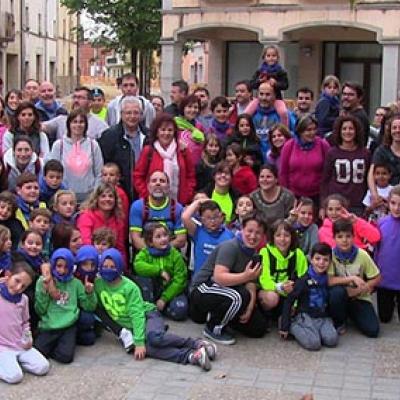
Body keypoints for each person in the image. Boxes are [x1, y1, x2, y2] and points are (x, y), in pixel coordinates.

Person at [94, 248, 216, 370]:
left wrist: (139, 341)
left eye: (112, 266)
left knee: (154, 338)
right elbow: (93, 306)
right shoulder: (98, 284)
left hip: (148, 315)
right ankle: (192, 356)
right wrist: (89, 294)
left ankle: (196, 343)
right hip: (132, 327)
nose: (108, 270)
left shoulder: (129, 287)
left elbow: (137, 314)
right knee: (148, 349)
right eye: (105, 266)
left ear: (119, 267)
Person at [190, 212, 268, 345]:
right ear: (242, 229)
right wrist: (245, 276)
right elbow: (219, 277)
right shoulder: (230, 246)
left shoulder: (254, 253)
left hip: (227, 290)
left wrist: (249, 309)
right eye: (249, 231)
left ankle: (222, 316)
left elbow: (251, 283)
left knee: (258, 327)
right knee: (240, 296)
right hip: (203, 289)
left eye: (258, 233)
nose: (253, 236)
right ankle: (213, 329)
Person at [34, 248, 97, 363]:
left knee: (65, 357)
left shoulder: (76, 283)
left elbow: (89, 307)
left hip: (68, 325)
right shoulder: (44, 281)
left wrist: (89, 293)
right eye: (58, 266)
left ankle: (65, 343)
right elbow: (40, 310)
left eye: (66, 266)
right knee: (38, 352)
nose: (62, 270)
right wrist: (45, 291)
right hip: (49, 325)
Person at [279, 243, 338, 351]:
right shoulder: (303, 280)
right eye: (317, 259)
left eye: (325, 260)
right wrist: (285, 325)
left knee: (332, 340)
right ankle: (293, 326)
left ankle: (317, 331)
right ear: (311, 259)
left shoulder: (328, 280)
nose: (321, 263)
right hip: (305, 316)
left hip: (322, 317)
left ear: (330, 262)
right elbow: (289, 301)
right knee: (314, 344)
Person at [328, 219, 381, 337]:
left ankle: (352, 314)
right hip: (340, 296)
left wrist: (364, 288)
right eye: (340, 236)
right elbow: (329, 280)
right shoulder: (331, 254)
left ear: (353, 237)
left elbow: (377, 277)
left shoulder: (362, 254)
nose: (344, 240)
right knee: (336, 293)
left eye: (348, 236)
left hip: (359, 297)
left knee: (373, 331)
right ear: (334, 238)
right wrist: (351, 278)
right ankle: (339, 321)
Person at [0, 261, 50, 384]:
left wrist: (27, 338)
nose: (18, 288)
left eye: (23, 286)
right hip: (2, 347)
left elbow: (25, 322)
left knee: (43, 367)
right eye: (17, 281)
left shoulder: (23, 300)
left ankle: (13, 362)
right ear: (8, 275)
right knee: (15, 377)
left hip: (19, 344)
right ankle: (8, 364)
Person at [133, 114, 195, 205]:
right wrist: (147, 195)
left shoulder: (183, 151)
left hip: (178, 204)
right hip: (152, 204)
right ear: (157, 132)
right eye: (163, 130)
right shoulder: (148, 151)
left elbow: (191, 175)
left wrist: (187, 195)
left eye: (170, 130)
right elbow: (138, 176)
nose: (166, 133)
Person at [134, 222, 189, 321]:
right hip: (153, 290)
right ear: (150, 242)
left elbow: (180, 279)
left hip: (170, 292)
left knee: (180, 311)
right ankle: (151, 308)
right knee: (143, 279)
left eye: (165, 235)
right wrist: (159, 271)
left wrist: (164, 298)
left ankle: (161, 308)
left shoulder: (175, 254)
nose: (163, 239)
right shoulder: (145, 253)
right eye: (158, 237)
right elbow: (138, 265)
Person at [48, 109, 104, 203]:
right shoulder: (59, 145)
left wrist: (94, 195)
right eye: (74, 122)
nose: (78, 125)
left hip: (89, 198)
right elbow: (53, 171)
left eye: (81, 122)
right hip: (65, 199)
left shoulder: (93, 145)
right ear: (69, 124)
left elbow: (99, 173)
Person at [98, 96, 148, 201]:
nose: (132, 116)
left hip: (144, 191)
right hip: (117, 194)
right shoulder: (109, 136)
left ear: (141, 114)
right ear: (121, 114)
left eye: (136, 113)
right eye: (128, 113)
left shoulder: (149, 135)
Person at [258, 220, 308, 320]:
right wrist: (280, 287)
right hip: (271, 292)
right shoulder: (265, 252)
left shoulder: (298, 254)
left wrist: (295, 303)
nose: (282, 239)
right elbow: (264, 280)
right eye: (278, 235)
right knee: (272, 299)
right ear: (272, 237)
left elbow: (303, 280)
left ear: (292, 237)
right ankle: (266, 315)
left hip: (290, 295)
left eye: (286, 235)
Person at [320, 115, 370, 215]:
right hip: (336, 204)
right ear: (339, 131)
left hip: (358, 204)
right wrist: (323, 206)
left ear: (356, 131)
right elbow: (325, 180)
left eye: (351, 128)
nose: (347, 132)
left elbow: (368, 180)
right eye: (344, 129)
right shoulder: (332, 153)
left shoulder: (365, 153)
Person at [129, 170, 187, 251]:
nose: (158, 183)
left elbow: (181, 240)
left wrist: (162, 250)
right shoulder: (137, 207)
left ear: (168, 186)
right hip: (146, 256)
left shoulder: (177, 208)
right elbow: (136, 240)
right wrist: (154, 253)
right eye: (154, 181)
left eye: (162, 181)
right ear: (148, 186)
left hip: (170, 255)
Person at [280, 114, 330, 203]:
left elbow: (328, 173)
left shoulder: (323, 145)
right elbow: (283, 173)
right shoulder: (289, 146)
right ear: (300, 131)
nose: (312, 133)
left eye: (314, 129)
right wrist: (288, 196)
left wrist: (324, 199)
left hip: (317, 196)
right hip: (294, 196)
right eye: (308, 130)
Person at [77, 183, 127, 265]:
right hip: (90, 261)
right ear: (97, 199)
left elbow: (120, 248)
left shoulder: (118, 219)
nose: (107, 199)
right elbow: (86, 243)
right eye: (103, 196)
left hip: (112, 263)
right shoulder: (86, 216)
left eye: (110, 196)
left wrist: (121, 266)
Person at [182, 199, 234, 276]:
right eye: (208, 218)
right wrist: (199, 201)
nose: (212, 221)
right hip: (199, 280)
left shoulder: (230, 235)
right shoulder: (197, 231)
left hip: (220, 280)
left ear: (221, 216)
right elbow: (185, 217)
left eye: (215, 217)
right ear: (202, 219)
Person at [42, 86, 108, 142]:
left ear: (90, 102)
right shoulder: (61, 120)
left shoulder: (100, 125)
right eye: (74, 97)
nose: (76, 100)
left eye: (80, 98)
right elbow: (40, 127)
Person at [374, 185, 400, 323]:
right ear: (388, 203)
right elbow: (376, 250)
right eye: (393, 203)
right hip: (384, 280)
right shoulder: (382, 223)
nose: (396, 208)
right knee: (384, 318)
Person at [252, 82, 295, 159]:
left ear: (275, 95)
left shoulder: (286, 115)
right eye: (261, 94)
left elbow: (295, 135)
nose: (264, 98)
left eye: (268, 94)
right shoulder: (251, 114)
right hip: (256, 161)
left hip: (277, 160)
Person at [249, 45, 289, 127]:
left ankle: (285, 129)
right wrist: (259, 81)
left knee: (283, 112)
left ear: (278, 57)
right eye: (268, 56)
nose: (271, 58)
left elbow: (285, 85)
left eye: (274, 56)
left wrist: (276, 83)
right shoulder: (260, 71)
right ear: (264, 57)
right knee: (247, 112)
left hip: (276, 99)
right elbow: (251, 84)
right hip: (260, 98)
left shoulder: (280, 71)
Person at [368, 114, 400, 202]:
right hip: (385, 197)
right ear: (390, 130)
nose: (397, 130)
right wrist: (374, 194)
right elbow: (371, 174)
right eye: (394, 127)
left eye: (399, 127)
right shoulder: (381, 151)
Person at [74, 245, 99, 345]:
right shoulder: (72, 277)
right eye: (85, 264)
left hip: (87, 310)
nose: (89, 268)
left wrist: (90, 293)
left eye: (92, 265)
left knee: (89, 338)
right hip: (71, 312)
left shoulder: (97, 279)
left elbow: (91, 307)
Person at [175, 95, 205, 166]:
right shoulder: (174, 124)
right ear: (183, 108)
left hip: (197, 166)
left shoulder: (199, 127)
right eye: (189, 107)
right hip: (180, 164)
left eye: (195, 107)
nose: (193, 110)